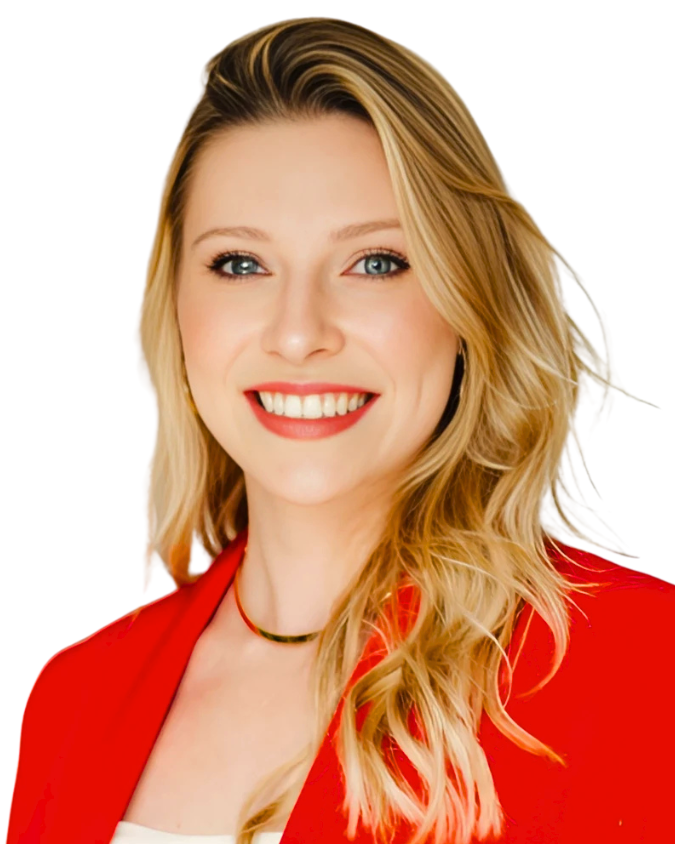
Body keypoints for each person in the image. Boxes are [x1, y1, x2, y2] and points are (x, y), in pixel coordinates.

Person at [7, 16, 672, 844]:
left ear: (468, 302)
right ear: (175, 305)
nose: (297, 334)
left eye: (374, 263)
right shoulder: (74, 695)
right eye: (240, 264)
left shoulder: (641, 665)